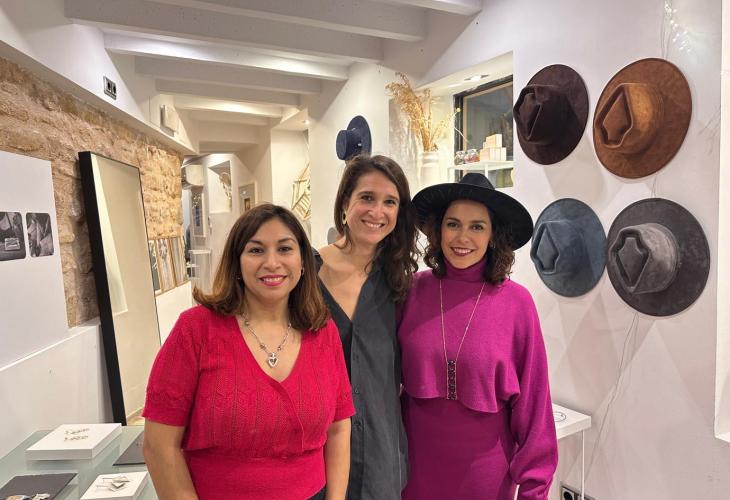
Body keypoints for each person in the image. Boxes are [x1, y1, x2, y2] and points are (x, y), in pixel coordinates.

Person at [142, 204, 355, 500]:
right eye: (256, 250)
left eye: (285, 249)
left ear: (303, 262)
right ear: (237, 262)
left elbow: (339, 429)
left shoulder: (323, 332)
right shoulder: (196, 330)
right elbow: (159, 445)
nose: (272, 262)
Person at [398, 173, 558, 500]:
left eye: (477, 227)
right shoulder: (412, 291)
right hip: (412, 470)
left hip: (486, 477)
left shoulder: (516, 303)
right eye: (453, 224)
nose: (463, 237)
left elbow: (534, 405)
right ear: (439, 230)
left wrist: (534, 488)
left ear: (493, 235)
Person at [316, 154, 419, 499]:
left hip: (381, 458)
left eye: (390, 202)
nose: (377, 211)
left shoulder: (400, 282)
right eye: (367, 198)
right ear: (346, 202)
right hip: (316, 456)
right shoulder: (304, 274)